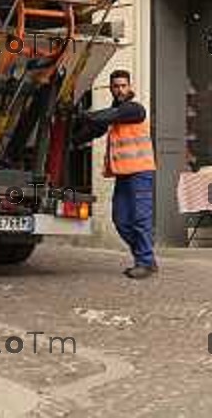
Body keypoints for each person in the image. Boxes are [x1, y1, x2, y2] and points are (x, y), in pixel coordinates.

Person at [73, 70, 157, 279]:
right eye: (116, 86)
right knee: (120, 220)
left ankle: (145, 262)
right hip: (123, 174)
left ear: (129, 87)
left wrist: (83, 115)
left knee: (140, 220)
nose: (120, 89)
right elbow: (96, 128)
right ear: (111, 88)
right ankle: (146, 257)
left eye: (123, 85)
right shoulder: (114, 112)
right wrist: (73, 138)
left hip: (140, 173)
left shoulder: (134, 110)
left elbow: (108, 116)